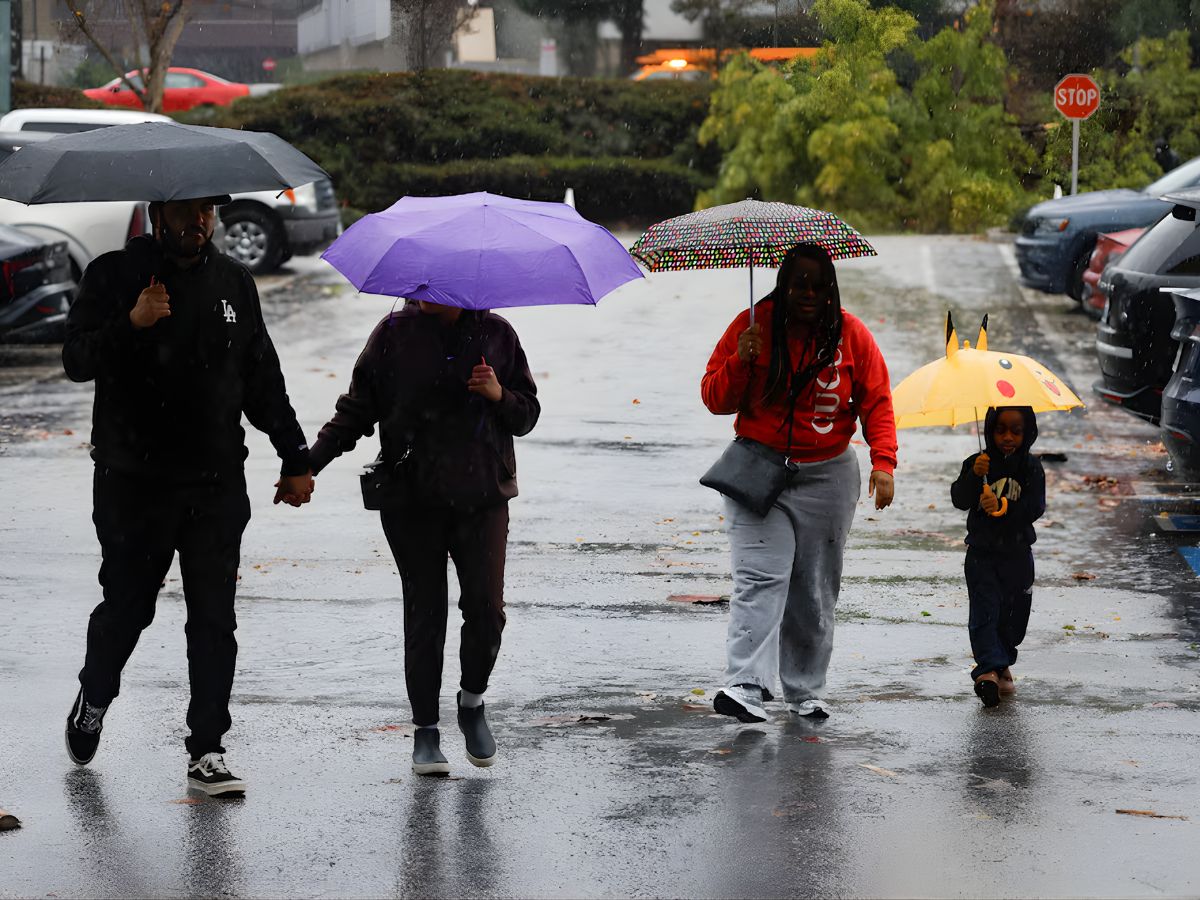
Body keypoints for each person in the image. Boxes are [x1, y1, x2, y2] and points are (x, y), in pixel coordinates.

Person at [62, 195, 314, 796]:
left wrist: (294, 456)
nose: (196, 222)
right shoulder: (114, 275)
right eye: (184, 212)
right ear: (158, 214)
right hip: (133, 483)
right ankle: (95, 695)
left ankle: (207, 749)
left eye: (206, 212)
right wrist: (131, 323)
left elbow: (262, 377)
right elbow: (75, 359)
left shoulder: (234, 283)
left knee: (213, 621)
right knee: (129, 608)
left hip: (215, 483)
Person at [308, 298, 539, 776]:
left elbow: (527, 414)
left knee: (485, 609)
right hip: (412, 498)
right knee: (425, 611)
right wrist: (307, 464)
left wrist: (500, 395)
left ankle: (472, 701)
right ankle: (426, 730)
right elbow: (355, 412)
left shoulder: (496, 334)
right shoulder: (393, 334)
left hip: (482, 498)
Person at [701, 243, 897, 723]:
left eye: (817, 284)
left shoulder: (852, 335)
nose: (807, 293)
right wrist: (740, 361)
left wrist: (884, 462)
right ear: (783, 286)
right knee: (760, 580)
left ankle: (804, 690)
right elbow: (714, 397)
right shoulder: (752, 326)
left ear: (831, 288)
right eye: (798, 283)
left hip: (828, 476)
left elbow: (876, 400)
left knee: (813, 590)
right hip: (758, 470)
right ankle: (745, 685)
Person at [950, 406, 1045, 707]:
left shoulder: (1031, 468)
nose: (1007, 437)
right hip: (982, 553)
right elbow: (959, 498)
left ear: (1027, 433)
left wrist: (1004, 506)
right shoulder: (978, 463)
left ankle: (1002, 661)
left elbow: (1035, 507)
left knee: (1014, 615)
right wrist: (972, 476)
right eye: (1000, 430)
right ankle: (987, 671)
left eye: (1015, 431)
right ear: (989, 431)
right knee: (985, 611)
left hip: (1017, 554)